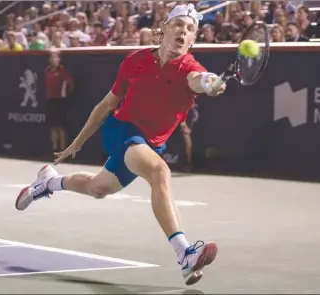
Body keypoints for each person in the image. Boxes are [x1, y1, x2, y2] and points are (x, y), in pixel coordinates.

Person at [15, 4, 226, 285]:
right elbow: (106, 105)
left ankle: (49, 183)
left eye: (190, 30)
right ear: (165, 29)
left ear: (192, 40)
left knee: (98, 188)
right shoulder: (134, 60)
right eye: (179, 25)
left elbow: (198, 80)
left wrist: (210, 81)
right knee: (160, 173)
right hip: (120, 130)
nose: (183, 32)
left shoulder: (190, 68)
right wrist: (76, 143)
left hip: (149, 145)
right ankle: (184, 254)